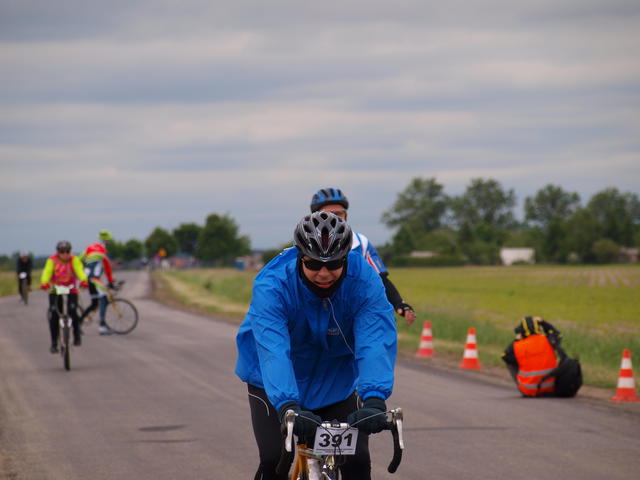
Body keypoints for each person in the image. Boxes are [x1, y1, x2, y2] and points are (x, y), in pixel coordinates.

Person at [235, 211, 397, 480]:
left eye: (333, 264)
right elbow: (274, 351)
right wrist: (287, 404)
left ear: (345, 258)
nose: (323, 273)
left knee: (357, 461)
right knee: (274, 458)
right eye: (313, 264)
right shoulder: (273, 285)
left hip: (335, 380)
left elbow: (374, 340)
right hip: (271, 381)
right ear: (300, 257)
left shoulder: (365, 282)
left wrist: (375, 397)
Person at [310, 187, 416, 325]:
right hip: (317, 312)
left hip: (354, 313)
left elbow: (380, 279)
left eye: (339, 213)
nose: (334, 218)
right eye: (328, 214)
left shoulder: (360, 243)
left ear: (346, 216)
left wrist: (399, 303)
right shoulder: (306, 243)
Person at [40, 241, 89, 352]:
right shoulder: (52, 260)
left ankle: (77, 335)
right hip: (55, 289)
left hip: (70, 288)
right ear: (58, 252)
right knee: (54, 313)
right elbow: (47, 272)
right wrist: (44, 282)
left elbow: (80, 271)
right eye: (62, 251)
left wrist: (83, 280)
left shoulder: (74, 259)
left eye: (67, 251)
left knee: (73, 309)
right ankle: (54, 343)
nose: (65, 254)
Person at [501, 316, 563, 397]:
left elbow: (504, 356)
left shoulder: (517, 345)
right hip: (551, 387)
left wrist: (516, 340)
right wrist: (543, 323)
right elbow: (558, 334)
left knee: (511, 360)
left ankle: (524, 383)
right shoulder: (548, 340)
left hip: (529, 390)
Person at [79, 229, 117, 335]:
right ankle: (102, 326)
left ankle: (78, 323)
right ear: (107, 241)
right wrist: (110, 281)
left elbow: (78, 259)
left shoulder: (90, 247)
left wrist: (80, 275)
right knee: (103, 299)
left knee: (94, 303)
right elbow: (107, 267)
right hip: (95, 279)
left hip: (87, 279)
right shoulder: (102, 250)